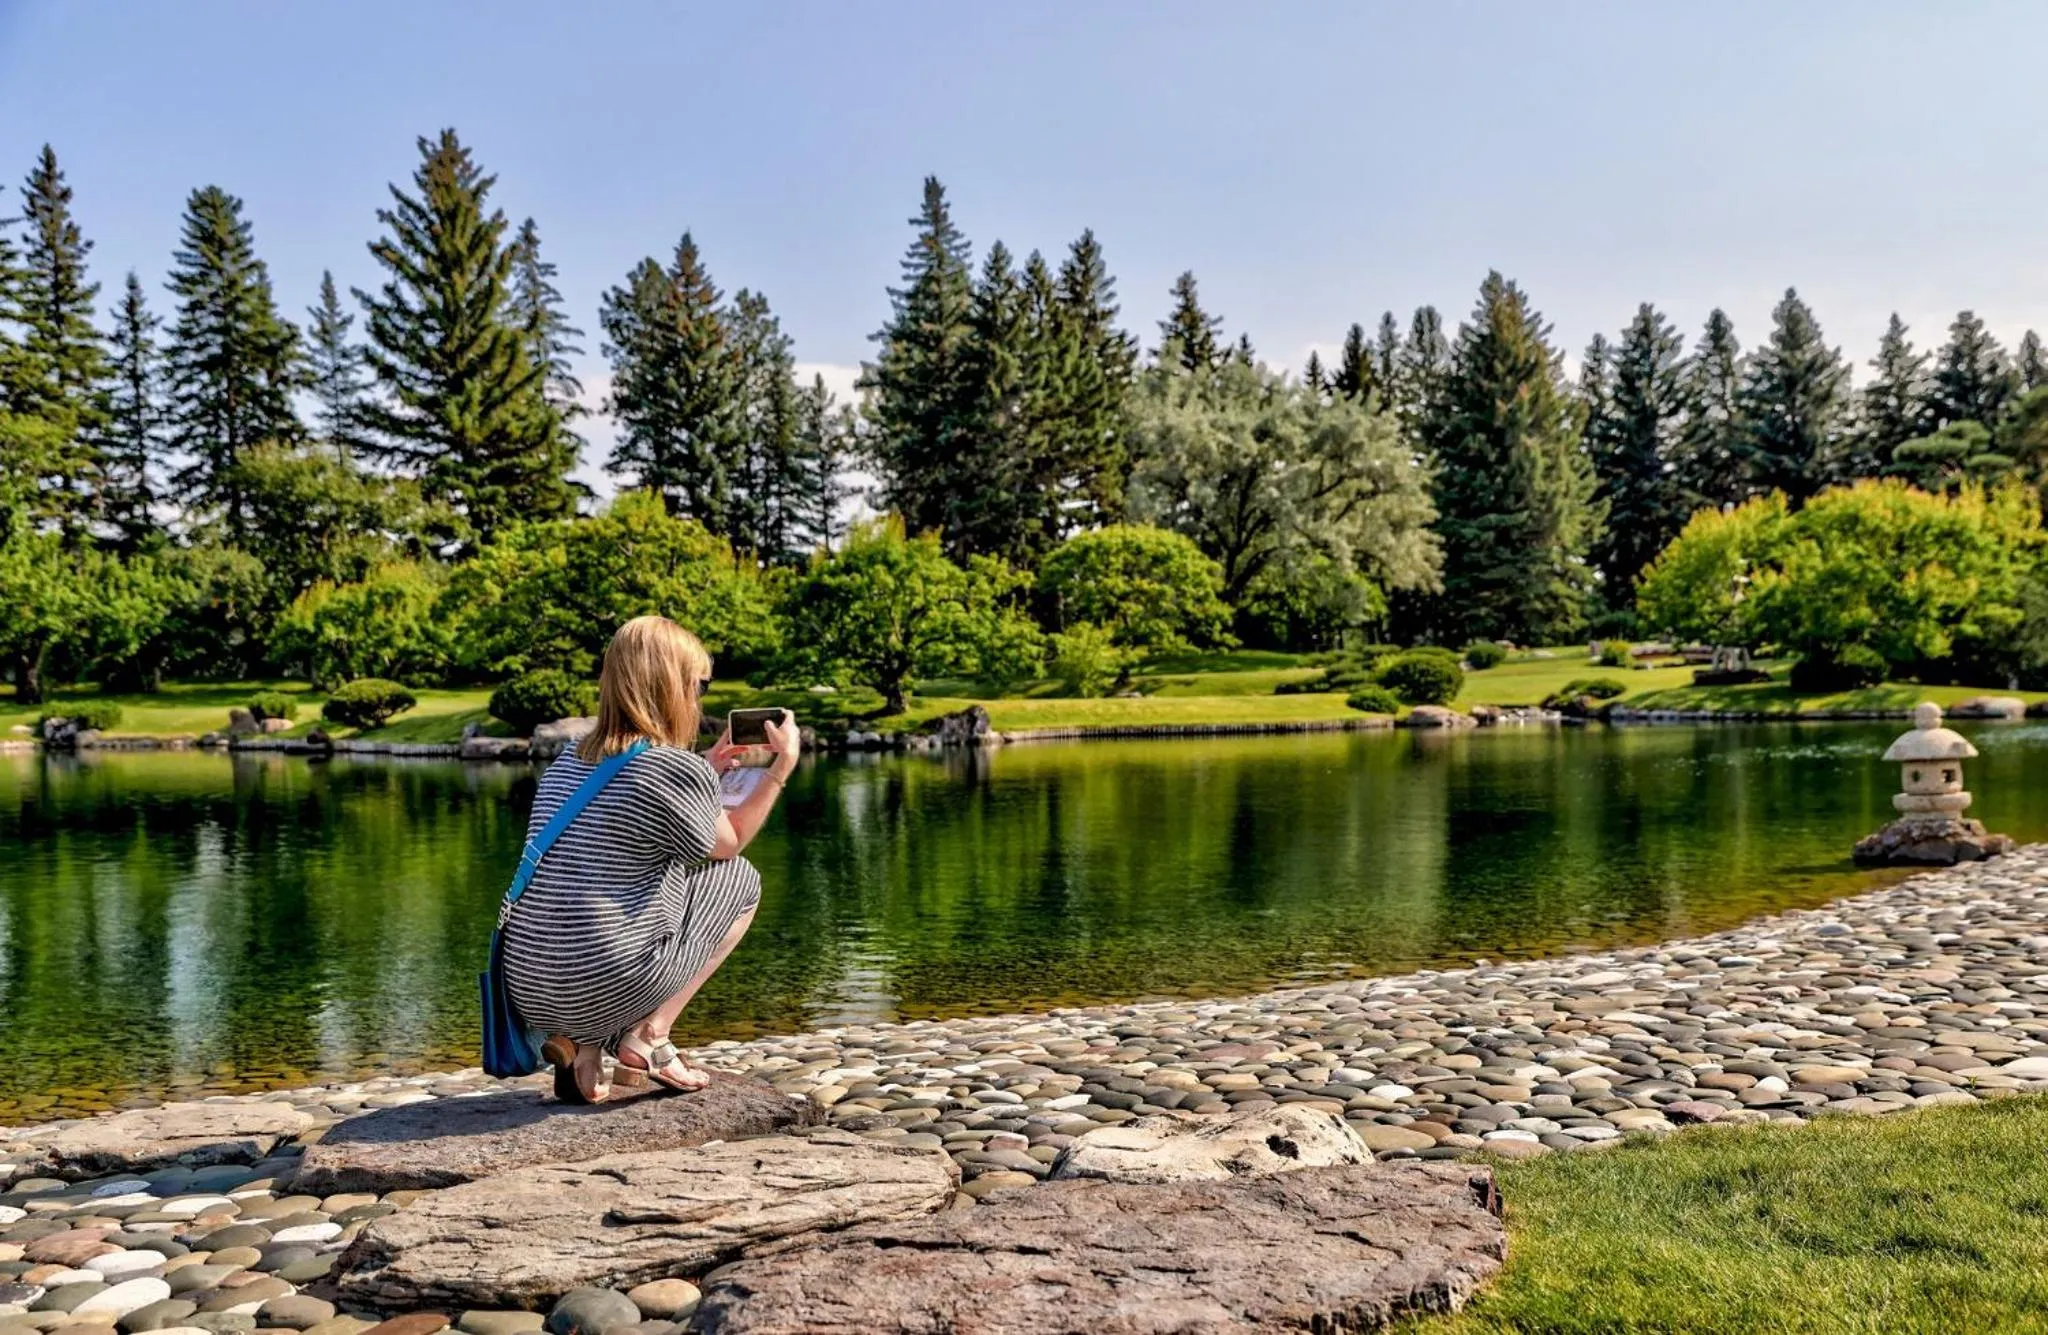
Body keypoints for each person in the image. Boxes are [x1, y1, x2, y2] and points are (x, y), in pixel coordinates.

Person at [501, 615, 800, 1103]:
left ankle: (582, 1046)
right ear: (672, 688)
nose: (698, 698)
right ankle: (648, 1037)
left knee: (628, 894)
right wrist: (780, 768)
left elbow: (614, 827)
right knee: (739, 879)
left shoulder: (570, 759)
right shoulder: (668, 766)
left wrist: (704, 771)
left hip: (528, 982)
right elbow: (731, 840)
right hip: (600, 976)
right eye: (695, 686)